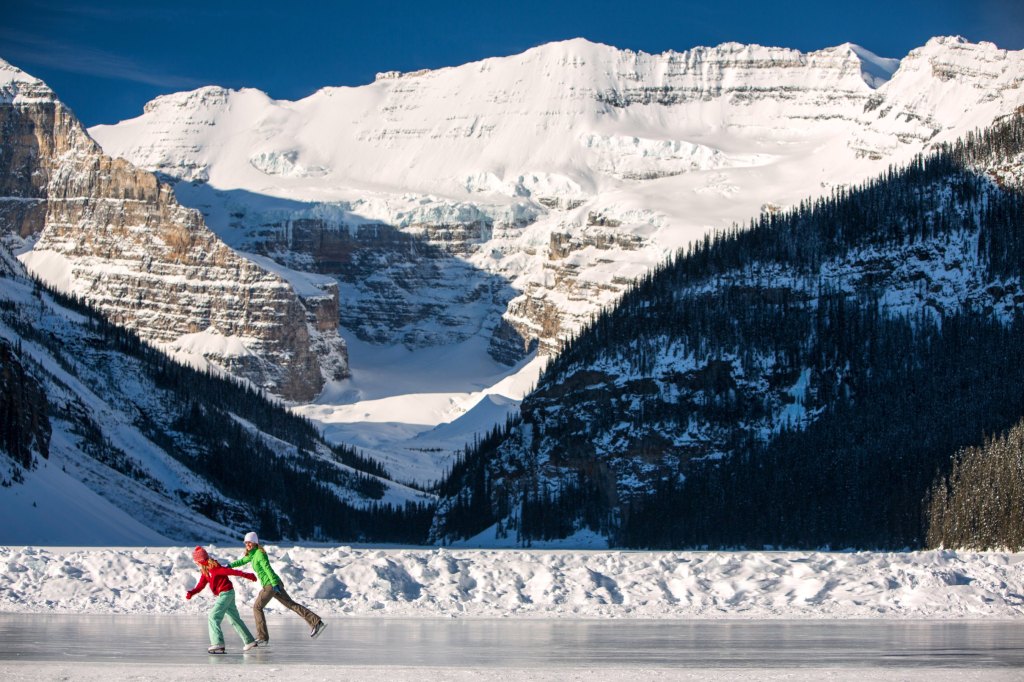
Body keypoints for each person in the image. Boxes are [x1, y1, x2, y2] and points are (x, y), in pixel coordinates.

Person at [228, 531, 327, 644]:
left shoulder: (259, 554)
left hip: (270, 584)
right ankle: (316, 622)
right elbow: (242, 561)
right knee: (291, 604)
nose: (247, 545)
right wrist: (230, 565)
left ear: (255, 542)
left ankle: (262, 637)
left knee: (257, 607)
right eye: (246, 543)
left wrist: (274, 584)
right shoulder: (252, 554)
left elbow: (267, 568)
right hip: (273, 584)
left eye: (250, 542)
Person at [185, 546, 260, 654]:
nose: (196, 564)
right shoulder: (206, 571)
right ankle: (249, 641)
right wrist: (192, 592)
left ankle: (218, 643)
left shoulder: (214, 568)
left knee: (213, 617)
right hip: (226, 593)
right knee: (234, 619)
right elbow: (201, 585)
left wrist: (247, 575)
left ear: (200, 561)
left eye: (196, 561)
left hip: (226, 594)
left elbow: (231, 571)